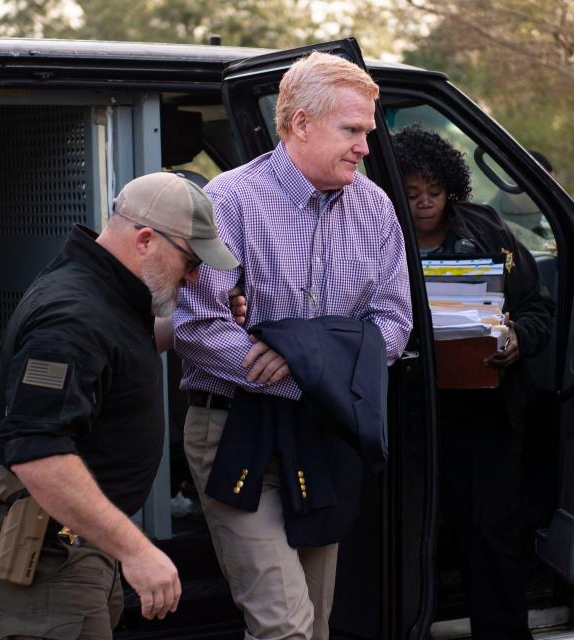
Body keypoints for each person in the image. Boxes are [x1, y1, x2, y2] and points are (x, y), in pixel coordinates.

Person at [174, 52, 412, 640]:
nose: (364, 146)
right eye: (351, 130)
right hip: (236, 431)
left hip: (324, 432)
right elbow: (197, 327)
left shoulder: (375, 206)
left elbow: (393, 321)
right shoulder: (230, 200)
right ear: (301, 123)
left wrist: (303, 358)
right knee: (285, 626)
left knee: (316, 620)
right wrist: (320, 364)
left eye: (367, 131)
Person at [0, 172, 239, 640]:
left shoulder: (105, 289)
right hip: (47, 557)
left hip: (74, 546)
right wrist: (136, 550)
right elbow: (37, 452)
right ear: (146, 240)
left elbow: (114, 354)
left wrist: (187, 324)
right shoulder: (73, 315)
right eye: (191, 261)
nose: (194, 278)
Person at [391, 124, 554, 639]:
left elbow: (537, 309)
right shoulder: (375, 236)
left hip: (485, 413)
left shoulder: (486, 231)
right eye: (411, 193)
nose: (423, 204)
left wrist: (516, 340)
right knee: (408, 534)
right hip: (408, 415)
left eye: (434, 192)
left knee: (492, 533)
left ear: (452, 188)